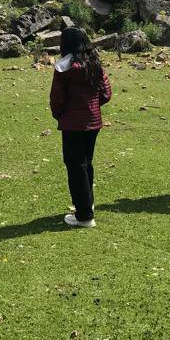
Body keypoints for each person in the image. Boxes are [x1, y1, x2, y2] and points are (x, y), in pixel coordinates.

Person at [50, 27, 111, 228]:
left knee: (76, 167)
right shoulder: (95, 63)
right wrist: (92, 107)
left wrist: (60, 115)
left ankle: (84, 215)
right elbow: (106, 93)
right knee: (86, 163)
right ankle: (88, 204)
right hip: (93, 121)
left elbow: (57, 98)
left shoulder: (63, 68)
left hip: (73, 123)